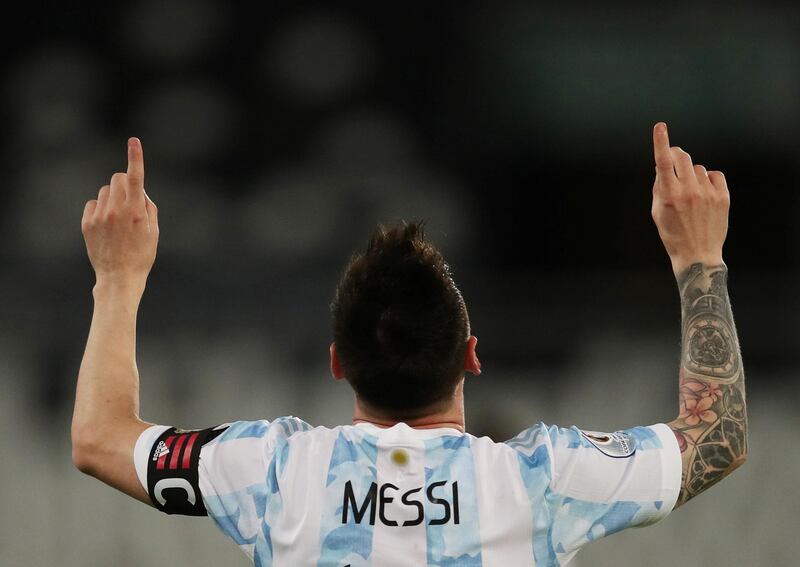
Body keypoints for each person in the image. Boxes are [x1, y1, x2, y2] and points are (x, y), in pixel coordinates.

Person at [71, 122, 747, 566]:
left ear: (337, 364)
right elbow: (717, 435)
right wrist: (699, 259)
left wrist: (119, 278)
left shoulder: (271, 471)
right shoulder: (541, 481)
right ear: (471, 356)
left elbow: (98, 438)